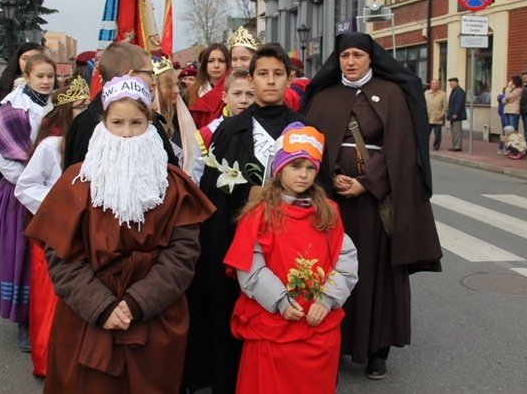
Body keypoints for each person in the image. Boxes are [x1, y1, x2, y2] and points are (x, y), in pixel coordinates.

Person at [24, 75, 214, 393]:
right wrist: (101, 307)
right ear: (103, 124)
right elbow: (61, 258)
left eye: (136, 123)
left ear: (150, 124)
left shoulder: (174, 185)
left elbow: (182, 257)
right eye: (118, 122)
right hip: (87, 318)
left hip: (154, 317)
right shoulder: (75, 181)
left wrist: (137, 303)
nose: (127, 133)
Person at [184, 43, 324, 394]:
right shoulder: (231, 130)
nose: (270, 81)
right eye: (262, 74)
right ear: (251, 78)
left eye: (278, 74)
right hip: (237, 238)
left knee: (283, 307)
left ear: (289, 79)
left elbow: (317, 185)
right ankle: (229, 379)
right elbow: (210, 186)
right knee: (234, 306)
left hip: (289, 241)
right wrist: (243, 193)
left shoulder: (304, 129)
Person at [302, 32, 442, 380]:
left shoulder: (393, 94)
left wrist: (367, 182)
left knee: (375, 273)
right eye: (345, 55)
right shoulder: (324, 95)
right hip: (332, 202)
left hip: (377, 203)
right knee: (329, 269)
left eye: (358, 55)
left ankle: (378, 351)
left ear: (371, 58)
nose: (350, 61)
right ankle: (335, 342)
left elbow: (402, 147)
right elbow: (310, 143)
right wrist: (330, 175)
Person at [223, 122, 358, 394]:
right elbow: (250, 267)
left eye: (310, 168)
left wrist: (328, 298)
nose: (303, 175)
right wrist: (280, 301)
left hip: (318, 320)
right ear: (279, 168)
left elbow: (346, 259)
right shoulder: (259, 213)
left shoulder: (328, 211)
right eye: (295, 166)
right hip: (275, 321)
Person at [13, 78, 90, 377]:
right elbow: (26, 186)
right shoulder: (50, 145)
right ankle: (46, 361)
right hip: (51, 232)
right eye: (79, 108)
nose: (86, 112)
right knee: (49, 300)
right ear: (65, 112)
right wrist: (60, 204)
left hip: (78, 229)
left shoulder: (87, 141)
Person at [0, 53, 56, 351]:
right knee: (21, 256)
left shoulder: (54, 104)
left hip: (49, 191)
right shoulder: (13, 108)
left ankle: (47, 314)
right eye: (40, 76)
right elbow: (5, 161)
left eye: (50, 76)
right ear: (27, 76)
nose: (46, 81)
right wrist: (31, 184)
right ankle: (23, 320)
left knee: (46, 257)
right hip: (19, 194)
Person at [63, 42, 178, 169]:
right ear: (129, 75)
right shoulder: (89, 126)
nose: (154, 82)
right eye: (150, 74)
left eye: (135, 123)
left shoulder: (82, 121)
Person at [0, 42, 46, 195]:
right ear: (17, 60)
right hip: (12, 173)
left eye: (35, 58)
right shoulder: (7, 89)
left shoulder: (49, 90)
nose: (30, 63)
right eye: (25, 58)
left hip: (43, 173)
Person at [151, 54, 197, 175]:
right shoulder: (148, 121)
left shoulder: (180, 119)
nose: (176, 90)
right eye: (169, 86)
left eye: (176, 84)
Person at [186, 43, 230, 109]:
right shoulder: (191, 92)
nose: (216, 65)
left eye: (221, 61)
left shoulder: (234, 90)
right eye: (211, 61)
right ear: (204, 64)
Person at [425, 79, 446, 151]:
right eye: (434, 84)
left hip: (438, 116)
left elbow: (445, 106)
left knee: (437, 134)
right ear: (431, 85)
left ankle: (436, 146)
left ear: (439, 85)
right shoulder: (426, 93)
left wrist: (442, 114)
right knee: (426, 133)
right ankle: (425, 146)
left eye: (436, 84)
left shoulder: (443, 94)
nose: (435, 85)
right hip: (428, 117)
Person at [446, 77, 466, 151]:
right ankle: (454, 145)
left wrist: (455, 113)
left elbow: (459, 103)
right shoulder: (455, 91)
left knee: (457, 131)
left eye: (451, 82)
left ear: (456, 83)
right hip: (453, 114)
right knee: (453, 131)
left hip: (457, 115)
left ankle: (457, 146)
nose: (450, 84)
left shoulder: (459, 91)